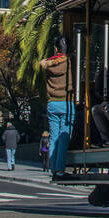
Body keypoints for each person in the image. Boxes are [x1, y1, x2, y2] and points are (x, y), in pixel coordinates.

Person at [39, 35, 74, 179]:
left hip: (52, 102)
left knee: (53, 136)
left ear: (55, 49)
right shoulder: (70, 62)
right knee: (64, 136)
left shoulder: (47, 64)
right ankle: (60, 169)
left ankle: (54, 168)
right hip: (66, 102)